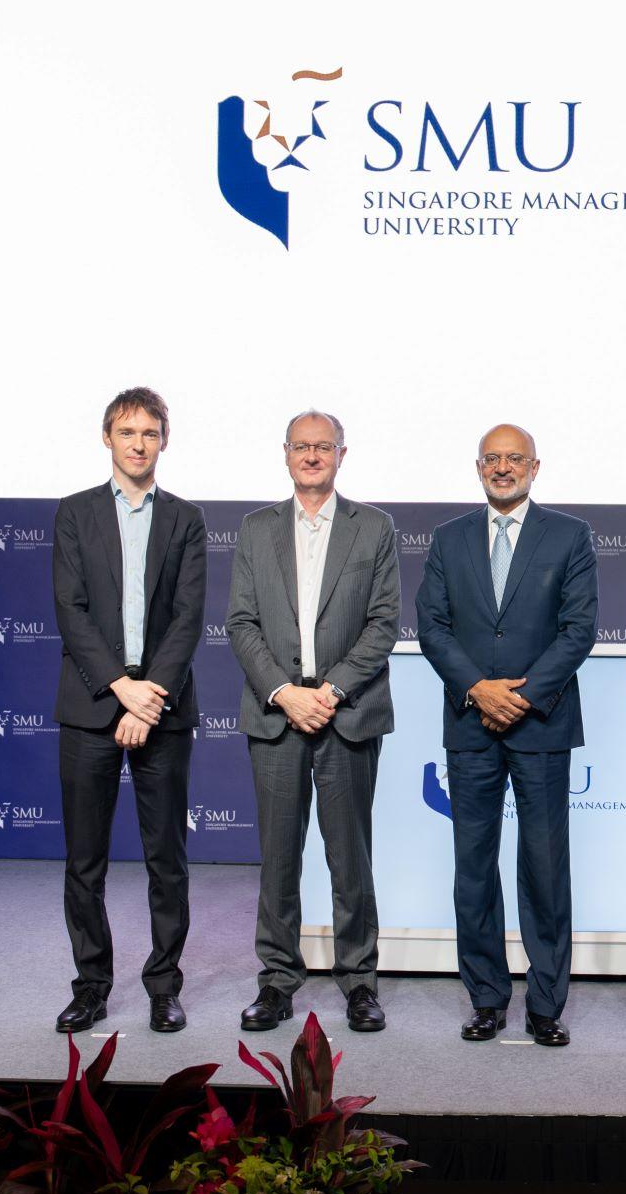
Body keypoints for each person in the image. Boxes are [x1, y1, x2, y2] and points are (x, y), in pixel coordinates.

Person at [417, 424, 598, 1048]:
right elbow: (432, 627)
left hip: (541, 723)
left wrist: (518, 696)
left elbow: (578, 631)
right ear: (477, 467)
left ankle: (546, 1003)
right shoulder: (447, 540)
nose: (502, 467)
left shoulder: (571, 536)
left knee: (545, 869)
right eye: (492, 459)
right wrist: (479, 689)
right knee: (474, 867)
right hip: (470, 722)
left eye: (513, 458)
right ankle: (486, 999)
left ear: (535, 466)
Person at [226, 410, 400, 1035]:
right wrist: (282, 691)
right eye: (301, 446)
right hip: (278, 716)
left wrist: (329, 690)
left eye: (322, 446)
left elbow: (383, 623)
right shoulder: (254, 530)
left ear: (341, 454)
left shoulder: (374, 528)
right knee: (278, 858)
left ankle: (358, 981)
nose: (311, 455)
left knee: (350, 855)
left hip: (345, 714)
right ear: (286, 454)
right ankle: (276, 981)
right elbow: (240, 623)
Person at [49, 388, 207, 1035]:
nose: (138, 443)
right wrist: (121, 686)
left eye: (149, 432)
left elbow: (187, 618)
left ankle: (163, 986)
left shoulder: (185, 520)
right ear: (107, 438)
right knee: (84, 860)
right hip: (92, 704)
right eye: (126, 431)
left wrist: (150, 696)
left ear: (163, 439)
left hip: (162, 709)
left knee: (165, 859)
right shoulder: (74, 514)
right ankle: (90, 986)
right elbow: (71, 610)